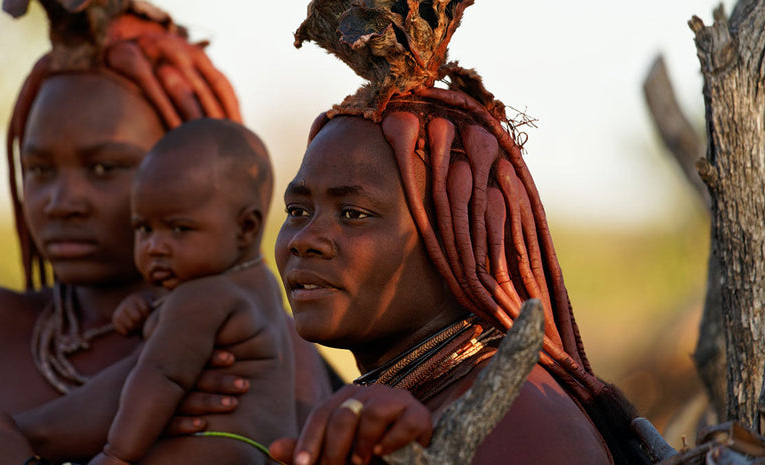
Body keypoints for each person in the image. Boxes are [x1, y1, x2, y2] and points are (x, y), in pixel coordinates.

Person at [0, 1, 335, 464]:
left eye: (106, 169)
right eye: (39, 170)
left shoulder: (270, 349)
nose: (62, 202)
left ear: (195, 176)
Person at [264, 1, 650, 464]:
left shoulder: (511, 414)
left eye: (353, 214)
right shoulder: (416, 400)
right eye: (297, 209)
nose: (306, 238)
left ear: (456, 244)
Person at [86, 118, 297, 465]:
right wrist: (151, 307)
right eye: (143, 228)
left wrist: (117, 455)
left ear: (246, 228)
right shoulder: (259, 284)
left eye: (179, 229)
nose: (155, 246)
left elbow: (160, 375)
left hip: (209, 444)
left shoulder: (200, 296)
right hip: (258, 449)